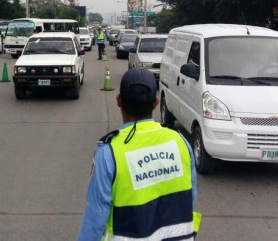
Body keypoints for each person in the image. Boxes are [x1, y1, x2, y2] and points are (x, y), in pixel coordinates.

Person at [78, 68, 200, 240]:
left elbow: (95, 217)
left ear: (119, 101)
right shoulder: (180, 142)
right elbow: (190, 196)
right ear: (156, 103)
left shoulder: (109, 153)